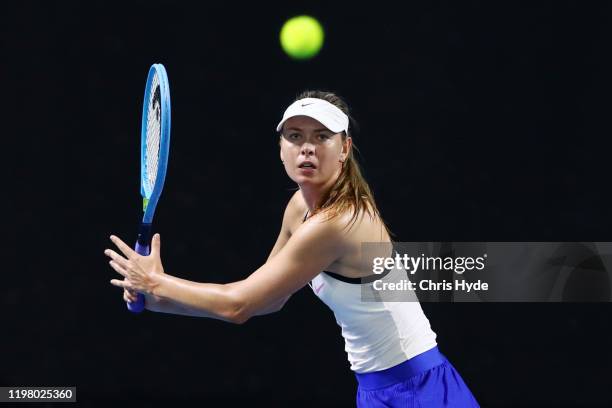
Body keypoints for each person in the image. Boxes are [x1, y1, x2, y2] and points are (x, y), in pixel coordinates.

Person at [105, 90, 480, 407]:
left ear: (345, 148)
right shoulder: (300, 208)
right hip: (374, 390)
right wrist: (161, 301)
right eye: (295, 137)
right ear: (280, 148)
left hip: (422, 392)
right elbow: (267, 299)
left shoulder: (337, 223)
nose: (307, 149)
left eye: (321, 137)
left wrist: (157, 282)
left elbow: (237, 304)